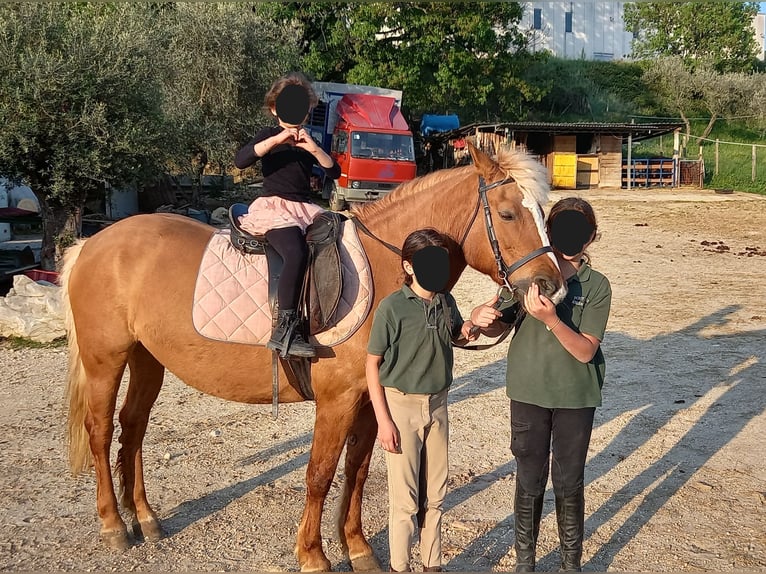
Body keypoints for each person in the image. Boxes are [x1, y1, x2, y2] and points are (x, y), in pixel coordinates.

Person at [471, 197, 612, 572]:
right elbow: (500, 322)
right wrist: (481, 317)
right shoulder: (526, 274)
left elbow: (585, 352)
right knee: (529, 480)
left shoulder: (596, 286)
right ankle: (525, 563)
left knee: (568, 482)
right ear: (547, 232)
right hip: (528, 391)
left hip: (575, 396)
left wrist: (552, 320)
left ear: (591, 237)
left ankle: (570, 564)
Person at [366, 229, 480, 573]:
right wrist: (384, 421)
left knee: (436, 497)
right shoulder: (392, 308)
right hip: (401, 409)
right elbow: (372, 363)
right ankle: (399, 567)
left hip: (439, 406)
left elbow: (457, 334)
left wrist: (473, 325)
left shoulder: (446, 301)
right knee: (404, 501)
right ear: (409, 266)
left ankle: (433, 565)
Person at [234, 72, 340, 359]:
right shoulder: (267, 136)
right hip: (274, 208)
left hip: (304, 208)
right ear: (274, 109)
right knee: (295, 252)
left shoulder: (311, 140)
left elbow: (334, 171)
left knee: (338, 237)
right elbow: (241, 160)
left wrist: (315, 149)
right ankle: (285, 329)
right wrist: (277, 139)